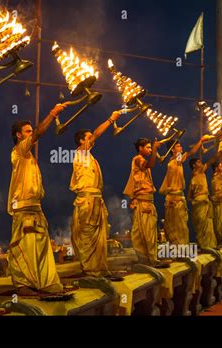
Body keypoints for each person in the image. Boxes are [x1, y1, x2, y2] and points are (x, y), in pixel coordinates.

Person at [7, 104, 67, 294]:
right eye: (27, 131)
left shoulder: (30, 156)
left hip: (35, 208)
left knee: (40, 246)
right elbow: (39, 133)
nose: (31, 134)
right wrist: (52, 113)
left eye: (31, 131)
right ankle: (23, 285)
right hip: (23, 209)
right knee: (24, 247)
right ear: (19, 135)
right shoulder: (19, 151)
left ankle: (44, 283)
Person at [70, 111, 123, 279]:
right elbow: (97, 135)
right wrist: (110, 119)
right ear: (81, 141)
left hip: (96, 200)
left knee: (99, 237)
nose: (92, 139)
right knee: (88, 235)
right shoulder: (81, 153)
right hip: (86, 201)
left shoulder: (90, 157)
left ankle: (99, 268)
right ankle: (90, 270)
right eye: (89, 137)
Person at [124, 138, 169, 268]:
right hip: (143, 203)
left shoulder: (144, 163)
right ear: (140, 148)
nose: (150, 150)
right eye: (148, 148)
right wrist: (155, 149)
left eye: (151, 147)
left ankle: (149, 259)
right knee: (144, 233)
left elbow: (150, 165)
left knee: (148, 232)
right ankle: (149, 261)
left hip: (148, 202)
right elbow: (150, 164)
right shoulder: (137, 159)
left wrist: (154, 151)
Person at [158, 137, 205, 245]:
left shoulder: (176, 161)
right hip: (174, 199)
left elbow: (189, 153)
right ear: (173, 150)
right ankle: (178, 249)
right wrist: (200, 141)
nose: (181, 147)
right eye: (178, 146)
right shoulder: (174, 161)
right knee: (176, 225)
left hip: (177, 197)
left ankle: (181, 248)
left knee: (180, 225)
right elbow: (192, 152)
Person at [188, 156, 218, 249]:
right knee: (201, 225)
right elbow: (189, 196)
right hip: (198, 204)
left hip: (205, 202)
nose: (201, 164)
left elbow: (212, 159)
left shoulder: (201, 174)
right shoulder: (195, 175)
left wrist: (217, 143)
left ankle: (211, 245)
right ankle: (203, 245)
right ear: (194, 165)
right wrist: (196, 202)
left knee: (209, 224)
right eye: (198, 162)